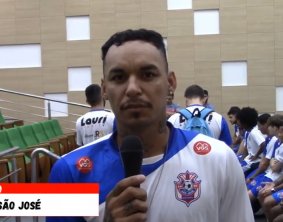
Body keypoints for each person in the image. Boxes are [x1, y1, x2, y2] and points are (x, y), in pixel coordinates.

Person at [47, 29, 253, 222]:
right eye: (119, 77)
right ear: (104, 90)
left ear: (170, 83)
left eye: (148, 75)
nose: (133, 89)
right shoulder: (69, 173)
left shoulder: (220, 160)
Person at [168, 85, 232, 146]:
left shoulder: (172, 120)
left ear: (186, 99)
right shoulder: (219, 119)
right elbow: (228, 148)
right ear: (204, 100)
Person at [245, 114, 281, 213]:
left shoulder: (275, 141)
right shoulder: (273, 140)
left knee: (249, 195)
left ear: (274, 127)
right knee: (246, 188)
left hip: (273, 175)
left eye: (260, 126)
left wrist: (272, 164)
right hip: (270, 173)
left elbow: (272, 166)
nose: (259, 129)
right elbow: (270, 162)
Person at [257, 119, 283, 222]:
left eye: (281, 133)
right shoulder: (278, 144)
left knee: (268, 202)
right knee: (262, 195)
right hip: (276, 178)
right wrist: (274, 185)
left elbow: (274, 166)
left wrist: (274, 189)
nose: (279, 135)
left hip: (276, 176)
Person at [237, 107, 266, 178]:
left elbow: (264, 144)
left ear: (244, 123)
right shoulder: (248, 132)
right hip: (249, 158)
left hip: (255, 161)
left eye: (240, 121)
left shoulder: (254, 132)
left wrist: (256, 155)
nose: (238, 123)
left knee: (234, 171)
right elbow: (246, 148)